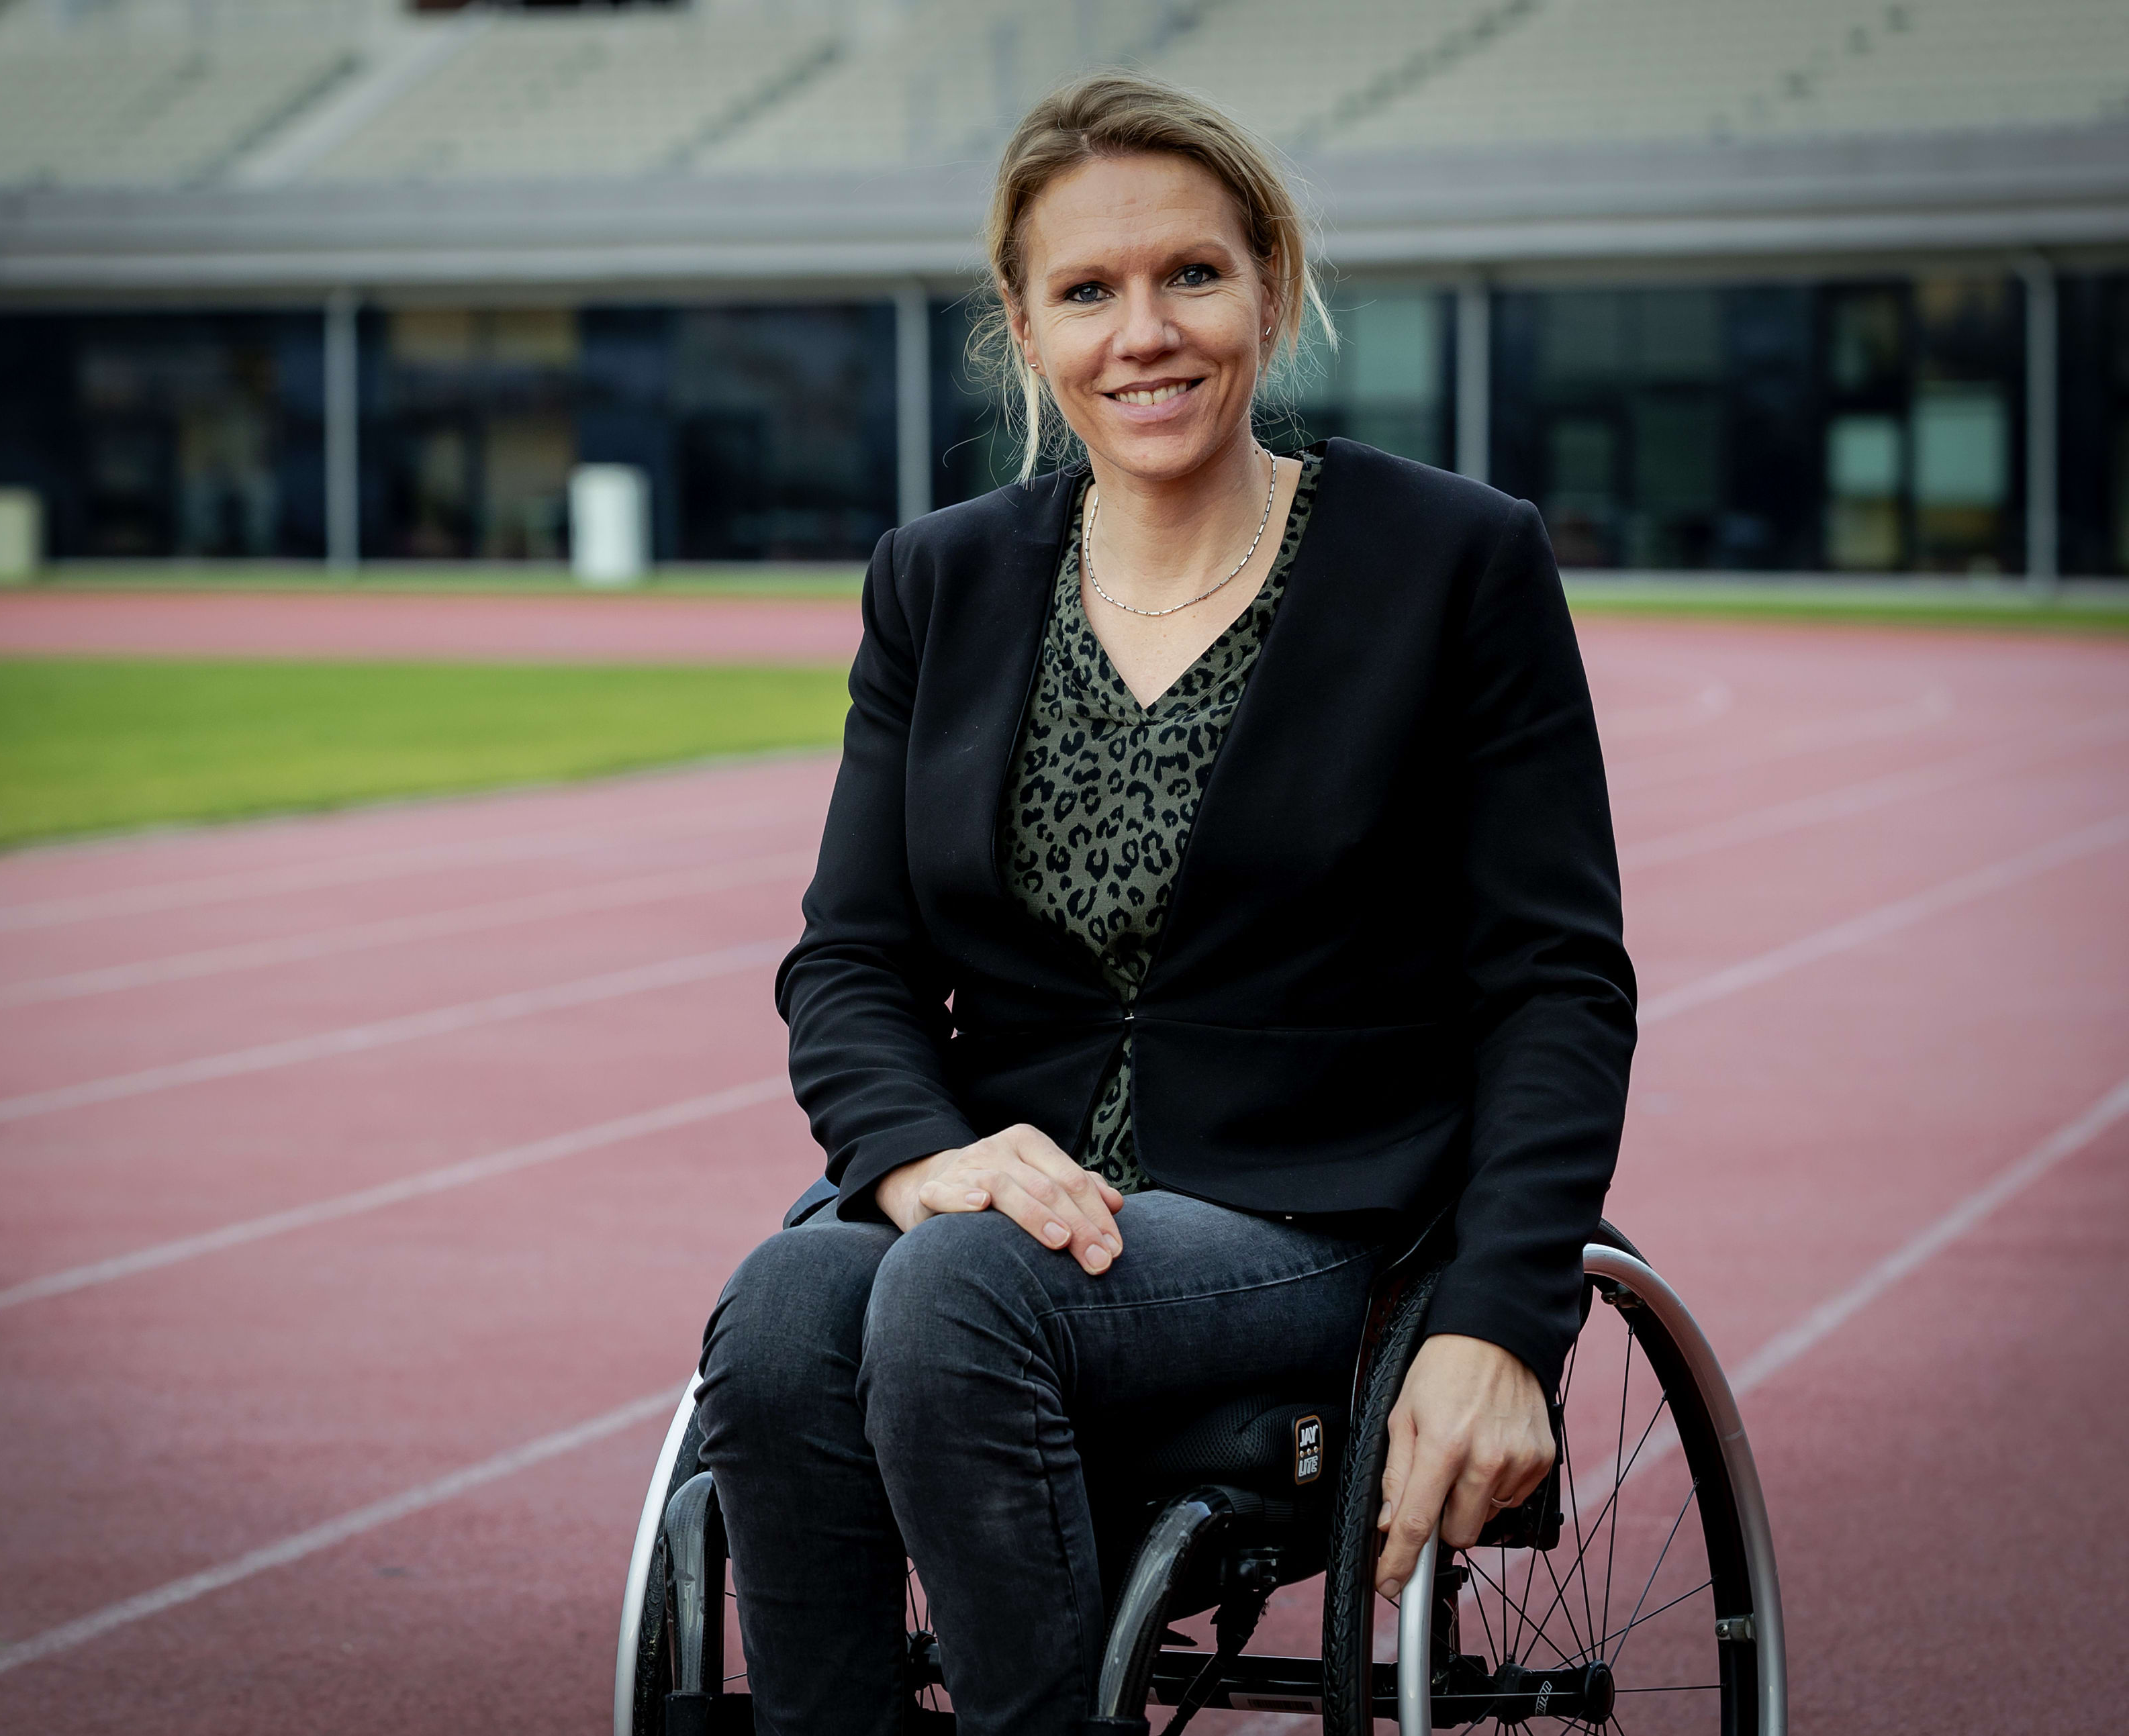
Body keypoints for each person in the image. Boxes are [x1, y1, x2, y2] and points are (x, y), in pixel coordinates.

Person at [694, 70, 1634, 1736]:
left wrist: (1505, 1314)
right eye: (1088, 291)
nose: (1146, 332)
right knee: (782, 1309)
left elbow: (1559, 983)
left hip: (1321, 1217)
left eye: (1190, 274)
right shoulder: (942, 577)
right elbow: (849, 963)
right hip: (1014, 1198)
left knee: (954, 1289)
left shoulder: (1452, 562)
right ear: (1024, 324)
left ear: (1270, 282)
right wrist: (921, 1154)